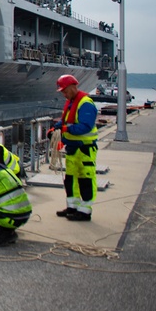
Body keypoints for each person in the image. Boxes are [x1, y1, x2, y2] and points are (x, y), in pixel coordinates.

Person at [53, 74, 98, 221]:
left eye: (65, 91)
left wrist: (66, 129)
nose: (64, 94)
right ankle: (72, 207)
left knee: (85, 179)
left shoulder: (85, 103)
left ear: (73, 87)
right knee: (70, 179)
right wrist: (56, 129)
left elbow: (85, 126)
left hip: (85, 149)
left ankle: (85, 211)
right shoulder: (71, 102)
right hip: (72, 149)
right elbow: (66, 121)